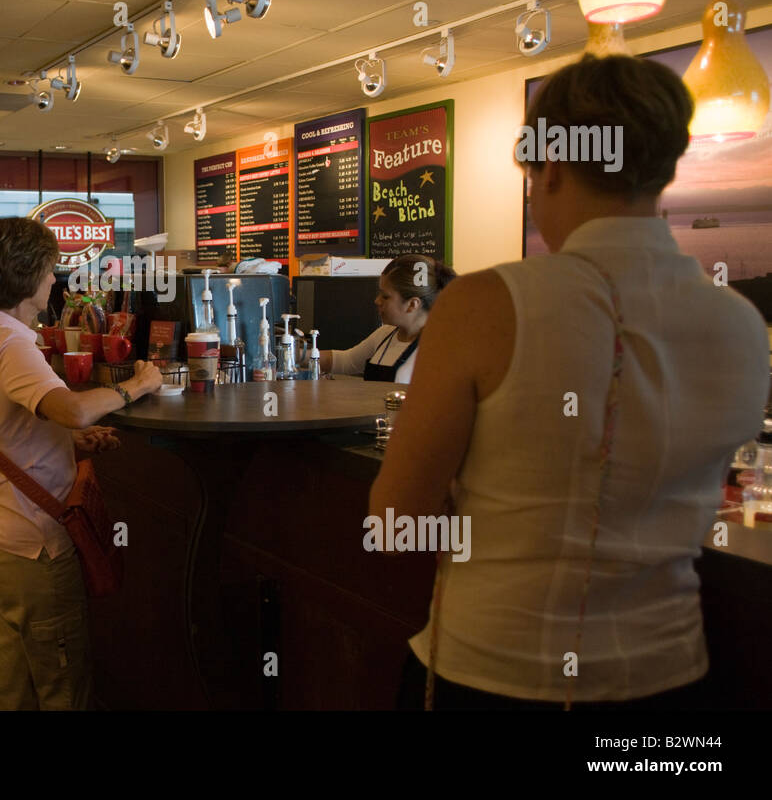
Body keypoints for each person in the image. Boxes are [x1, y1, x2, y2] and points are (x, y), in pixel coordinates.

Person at [372, 55, 769, 710]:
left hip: (496, 674)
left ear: (550, 166)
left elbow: (392, 524)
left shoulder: (482, 304)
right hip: (671, 682)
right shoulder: (742, 323)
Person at [0, 217, 164, 710]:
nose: (55, 280)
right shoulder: (13, 345)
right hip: (34, 546)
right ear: (27, 276)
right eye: (49, 270)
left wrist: (70, 446)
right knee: (62, 683)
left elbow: (6, 430)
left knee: (10, 678)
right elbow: (69, 408)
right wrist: (138, 386)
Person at [319, 254, 456, 384]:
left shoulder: (438, 348)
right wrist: (300, 355)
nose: (377, 301)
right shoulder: (385, 334)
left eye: (385, 296)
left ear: (412, 304)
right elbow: (346, 362)